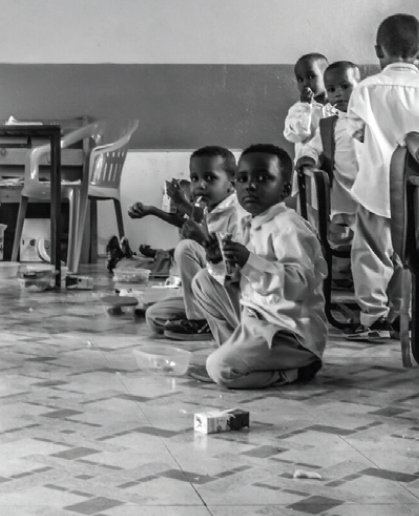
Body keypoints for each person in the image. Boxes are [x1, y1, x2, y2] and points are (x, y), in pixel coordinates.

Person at [343, 15, 419, 341]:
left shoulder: (365, 89)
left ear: (379, 50)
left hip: (376, 186)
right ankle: (399, 315)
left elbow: (355, 134)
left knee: (370, 253)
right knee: (407, 255)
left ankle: (373, 317)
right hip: (417, 192)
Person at [188, 145, 328, 389]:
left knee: (221, 369)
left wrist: (248, 260)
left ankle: (295, 369)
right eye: (242, 179)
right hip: (256, 319)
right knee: (203, 280)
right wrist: (217, 260)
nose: (250, 186)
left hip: (288, 332)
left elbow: (299, 285)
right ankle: (234, 350)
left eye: (263, 178)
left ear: (285, 189)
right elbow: (237, 281)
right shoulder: (249, 223)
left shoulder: (288, 227)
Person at [143, 147, 243, 339]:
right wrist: (179, 203)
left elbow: (235, 272)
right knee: (154, 316)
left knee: (186, 248)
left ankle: (200, 320)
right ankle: (208, 321)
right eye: (195, 178)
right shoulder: (207, 208)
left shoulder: (237, 214)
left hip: (235, 299)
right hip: (211, 293)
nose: (200, 185)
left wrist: (203, 241)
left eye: (210, 178)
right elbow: (195, 222)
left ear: (232, 183)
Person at [296, 61, 362, 249]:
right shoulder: (329, 125)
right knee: (342, 244)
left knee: (372, 242)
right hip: (341, 196)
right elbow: (313, 147)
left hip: (371, 195)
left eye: (345, 86)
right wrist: (307, 159)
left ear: (361, 87)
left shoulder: (373, 119)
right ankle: (343, 265)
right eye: (331, 89)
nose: (338, 93)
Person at [281, 53, 330, 151]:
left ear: (327, 76)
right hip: (308, 159)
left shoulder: (340, 106)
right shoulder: (297, 109)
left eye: (311, 77)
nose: (305, 83)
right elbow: (294, 136)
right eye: (300, 79)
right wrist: (304, 106)